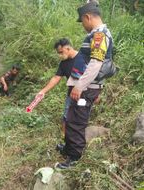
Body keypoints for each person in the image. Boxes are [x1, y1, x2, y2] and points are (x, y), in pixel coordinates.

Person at [56, 2, 114, 169]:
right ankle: (68, 148)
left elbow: (96, 63)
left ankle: (74, 158)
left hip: (85, 88)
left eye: (82, 21)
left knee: (76, 122)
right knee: (70, 117)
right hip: (82, 85)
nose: (82, 26)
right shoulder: (96, 34)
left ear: (88, 17)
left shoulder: (100, 35)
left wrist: (80, 86)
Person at [36, 38, 84, 137]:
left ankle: (78, 138)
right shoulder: (64, 63)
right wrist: (43, 91)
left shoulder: (83, 57)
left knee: (81, 117)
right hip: (71, 94)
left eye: (61, 52)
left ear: (68, 48)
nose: (60, 55)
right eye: (58, 53)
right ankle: (64, 137)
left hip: (85, 93)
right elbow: (56, 78)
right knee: (66, 116)